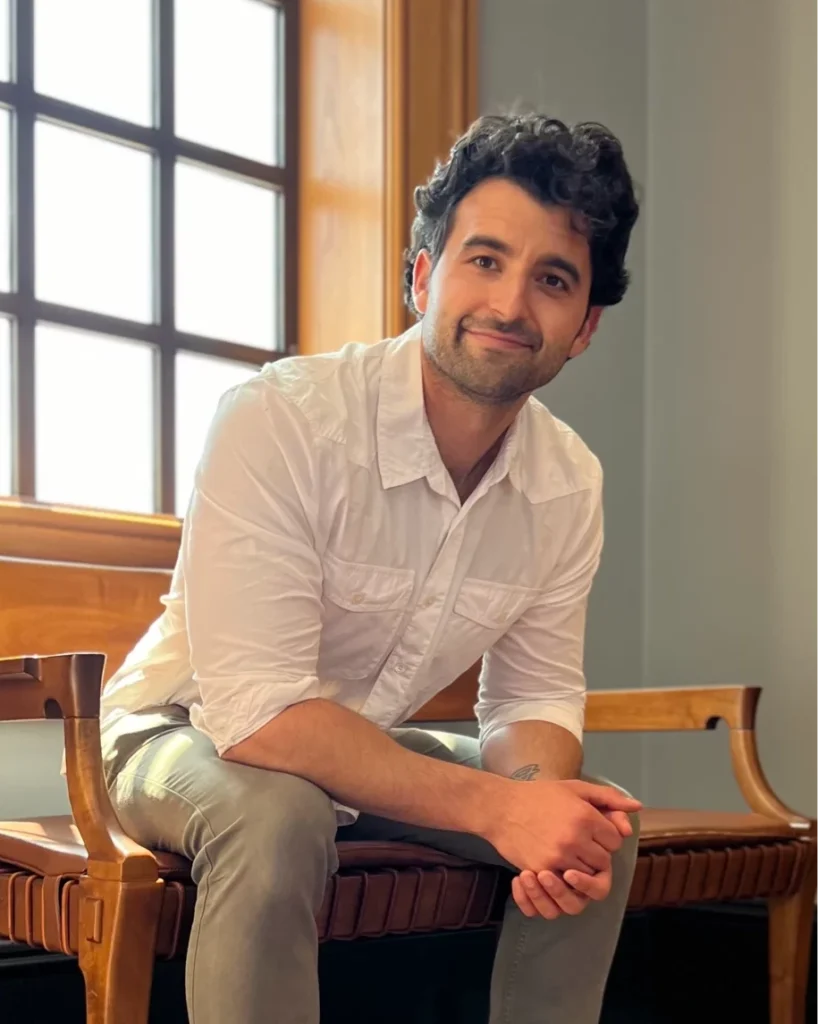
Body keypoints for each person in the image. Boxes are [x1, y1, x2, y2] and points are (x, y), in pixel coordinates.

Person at [99, 111, 642, 1024]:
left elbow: (533, 702)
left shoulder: (569, 481)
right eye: (484, 259)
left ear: (584, 326)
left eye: (551, 279)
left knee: (597, 830)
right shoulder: (281, 419)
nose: (511, 305)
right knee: (280, 814)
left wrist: (539, 810)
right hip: (178, 730)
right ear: (424, 277)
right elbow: (257, 716)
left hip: (358, 745)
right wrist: (496, 811)